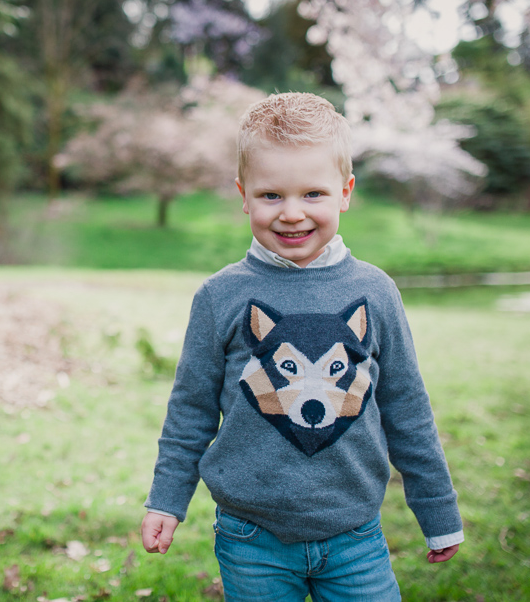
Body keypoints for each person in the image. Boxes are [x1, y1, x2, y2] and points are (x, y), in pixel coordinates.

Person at [140, 93, 462, 601]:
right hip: (251, 539)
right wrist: (166, 501)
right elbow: (191, 410)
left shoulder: (375, 293)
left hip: (355, 535)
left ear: (345, 192)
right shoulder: (220, 297)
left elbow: (407, 407)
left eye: (313, 194)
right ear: (244, 195)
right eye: (272, 196)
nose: (292, 214)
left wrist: (438, 510)